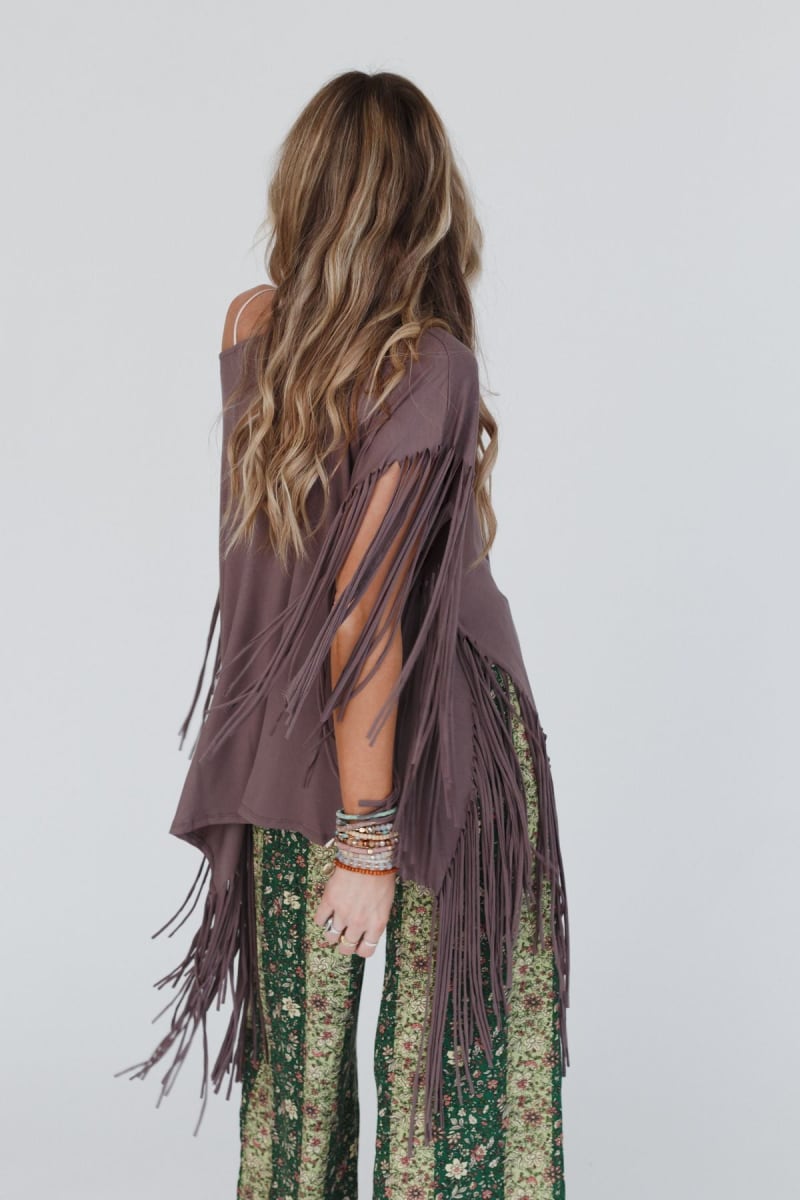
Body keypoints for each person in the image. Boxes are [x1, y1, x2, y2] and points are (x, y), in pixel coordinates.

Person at [116, 69, 570, 1199]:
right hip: (439, 757)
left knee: (295, 1104)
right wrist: (368, 844)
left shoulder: (253, 325)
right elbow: (362, 619)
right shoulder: (429, 363)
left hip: (285, 756)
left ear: (306, 187)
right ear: (426, 202)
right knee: (457, 1095)